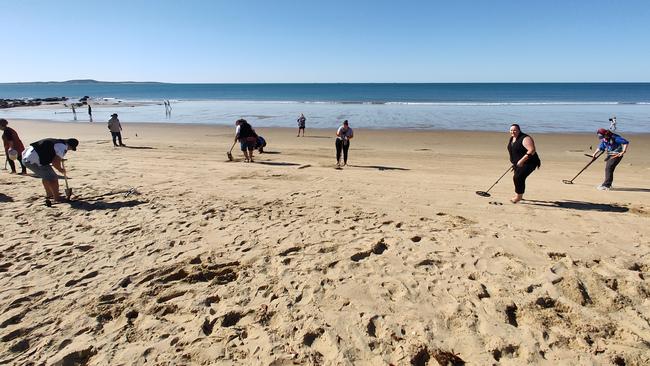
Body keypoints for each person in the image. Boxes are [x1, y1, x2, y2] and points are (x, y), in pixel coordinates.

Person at [22, 138, 78, 202]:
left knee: (46, 176)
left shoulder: (56, 142)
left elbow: (53, 154)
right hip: (33, 161)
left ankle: (50, 194)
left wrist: (58, 159)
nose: (69, 150)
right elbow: (55, 162)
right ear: (70, 146)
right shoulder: (62, 147)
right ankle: (57, 198)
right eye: (71, 149)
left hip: (26, 157)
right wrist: (61, 170)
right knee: (53, 178)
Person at [507, 123, 541, 203]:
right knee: (517, 177)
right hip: (518, 163)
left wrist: (521, 161)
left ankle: (518, 197)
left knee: (518, 177)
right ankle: (519, 195)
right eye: (511, 130)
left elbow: (532, 150)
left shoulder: (525, 138)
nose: (513, 132)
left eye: (515, 130)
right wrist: (515, 163)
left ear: (519, 130)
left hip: (530, 162)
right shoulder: (512, 138)